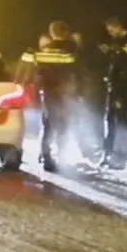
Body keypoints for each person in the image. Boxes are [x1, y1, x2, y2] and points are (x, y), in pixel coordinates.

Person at [31, 20, 83, 171]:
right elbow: (78, 71)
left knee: (48, 124)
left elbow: (37, 73)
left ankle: (45, 154)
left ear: (52, 33)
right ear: (65, 33)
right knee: (63, 125)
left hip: (48, 92)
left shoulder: (45, 50)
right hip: (65, 93)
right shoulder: (71, 50)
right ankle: (61, 155)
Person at [97, 15, 127, 168]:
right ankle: (108, 152)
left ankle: (120, 153)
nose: (110, 32)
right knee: (110, 118)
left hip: (123, 86)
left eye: (111, 29)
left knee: (120, 119)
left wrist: (115, 49)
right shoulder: (116, 43)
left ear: (119, 27)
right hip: (114, 85)